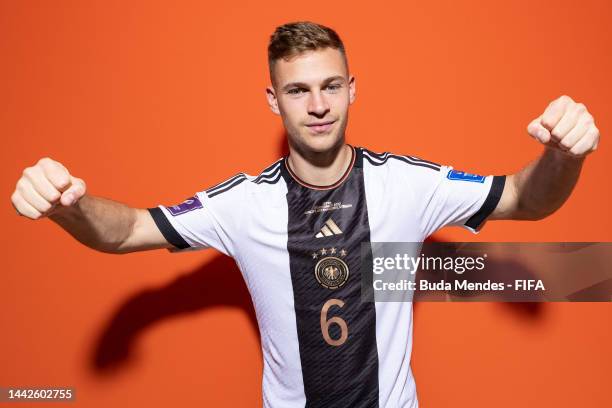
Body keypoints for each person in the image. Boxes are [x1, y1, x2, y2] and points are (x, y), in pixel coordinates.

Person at [10, 21, 600, 408]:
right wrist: (71, 206)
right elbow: (132, 230)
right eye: (297, 91)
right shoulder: (243, 203)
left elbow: (526, 199)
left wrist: (561, 155)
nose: (318, 106)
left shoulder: (406, 185)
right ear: (273, 99)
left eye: (330, 86)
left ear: (352, 89)